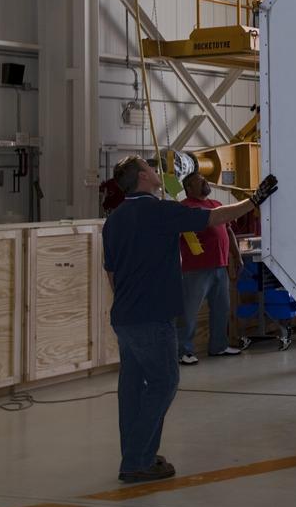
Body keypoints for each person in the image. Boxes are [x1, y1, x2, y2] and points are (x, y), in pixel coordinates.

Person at [103, 157, 278, 482]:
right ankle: (137, 461)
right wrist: (253, 201)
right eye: (152, 168)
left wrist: (129, 303)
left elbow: (111, 272)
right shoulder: (159, 212)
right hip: (152, 317)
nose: (158, 173)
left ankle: (139, 455)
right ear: (143, 176)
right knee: (164, 381)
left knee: (131, 389)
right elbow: (215, 216)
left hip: (125, 317)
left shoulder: (114, 220)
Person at [176, 173, 244, 365]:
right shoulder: (185, 208)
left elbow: (228, 230)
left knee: (221, 309)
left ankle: (218, 346)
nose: (205, 182)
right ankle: (184, 351)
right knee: (189, 312)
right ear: (189, 187)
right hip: (196, 269)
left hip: (220, 265)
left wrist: (236, 255)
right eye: (200, 180)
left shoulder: (215, 205)